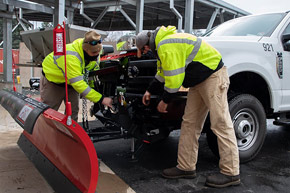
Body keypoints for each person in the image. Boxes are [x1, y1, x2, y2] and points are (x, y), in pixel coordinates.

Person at [136, 26, 240, 188]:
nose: (143, 53)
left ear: (147, 45)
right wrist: (149, 90)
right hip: (198, 81)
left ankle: (231, 172)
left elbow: (174, 80)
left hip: (213, 76)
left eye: (142, 50)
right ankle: (186, 167)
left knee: (220, 122)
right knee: (190, 123)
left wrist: (165, 100)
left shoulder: (165, 44)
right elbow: (163, 74)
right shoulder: (163, 45)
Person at [40, 30, 113, 121]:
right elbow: (78, 85)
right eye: (94, 53)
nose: (97, 55)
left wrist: (93, 88)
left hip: (71, 83)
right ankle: (45, 132)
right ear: (85, 49)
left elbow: (90, 72)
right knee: (49, 111)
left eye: (98, 52)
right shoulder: (71, 56)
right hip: (54, 82)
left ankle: (70, 133)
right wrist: (101, 99)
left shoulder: (95, 51)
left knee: (73, 112)